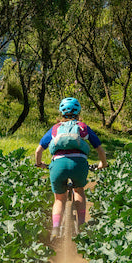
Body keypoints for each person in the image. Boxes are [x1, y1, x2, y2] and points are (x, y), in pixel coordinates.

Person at [34, 97, 107, 240]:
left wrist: (39, 163)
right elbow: (100, 149)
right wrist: (102, 164)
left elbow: (38, 151)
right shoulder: (83, 127)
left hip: (58, 166)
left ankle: (55, 228)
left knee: (59, 199)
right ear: (78, 111)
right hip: (78, 165)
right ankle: (81, 226)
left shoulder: (55, 128)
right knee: (79, 190)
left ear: (61, 113)